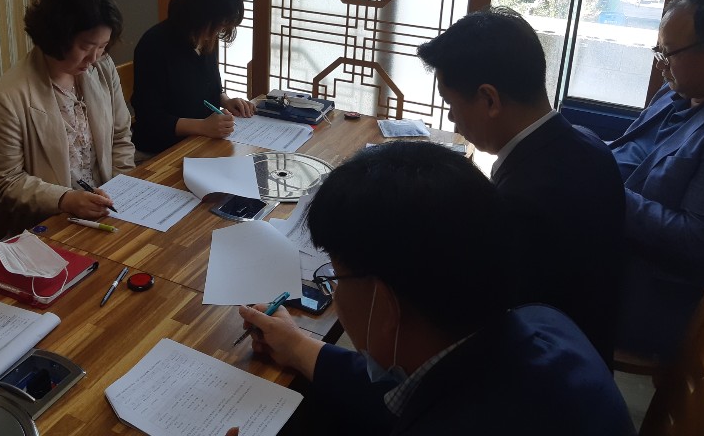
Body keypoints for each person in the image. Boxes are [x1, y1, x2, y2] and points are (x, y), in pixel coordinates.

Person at [236, 141, 634, 435]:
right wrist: (297, 345)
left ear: (385, 306)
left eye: (335, 278)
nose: (335, 295)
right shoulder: (541, 323)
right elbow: (406, 393)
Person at [416, 6, 625, 366]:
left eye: (450, 103)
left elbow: (485, 316)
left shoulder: (525, 201)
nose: (450, 117)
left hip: (548, 375)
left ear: (489, 100)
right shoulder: (587, 144)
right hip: (585, 348)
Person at [609, 0, 704, 360]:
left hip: (647, 290)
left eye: (669, 53)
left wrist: (606, 191)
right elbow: (630, 150)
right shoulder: (673, 92)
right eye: (658, 51)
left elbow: (698, 243)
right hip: (608, 241)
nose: (661, 64)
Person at [0, 0, 135, 237]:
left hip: (108, 211)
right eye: (86, 47)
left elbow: (120, 136)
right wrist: (65, 199)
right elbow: (5, 182)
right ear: (58, 37)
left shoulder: (102, 68)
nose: (94, 58)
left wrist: (122, 190)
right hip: (49, 225)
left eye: (102, 47)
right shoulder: (9, 98)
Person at [131, 0, 255, 155]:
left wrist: (227, 101)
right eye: (216, 25)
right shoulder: (155, 45)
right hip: (162, 150)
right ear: (199, 13)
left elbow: (207, 89)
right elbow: (150, 118)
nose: (217, 33)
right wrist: (203, 126)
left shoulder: (205, 40)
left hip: (201, 142)